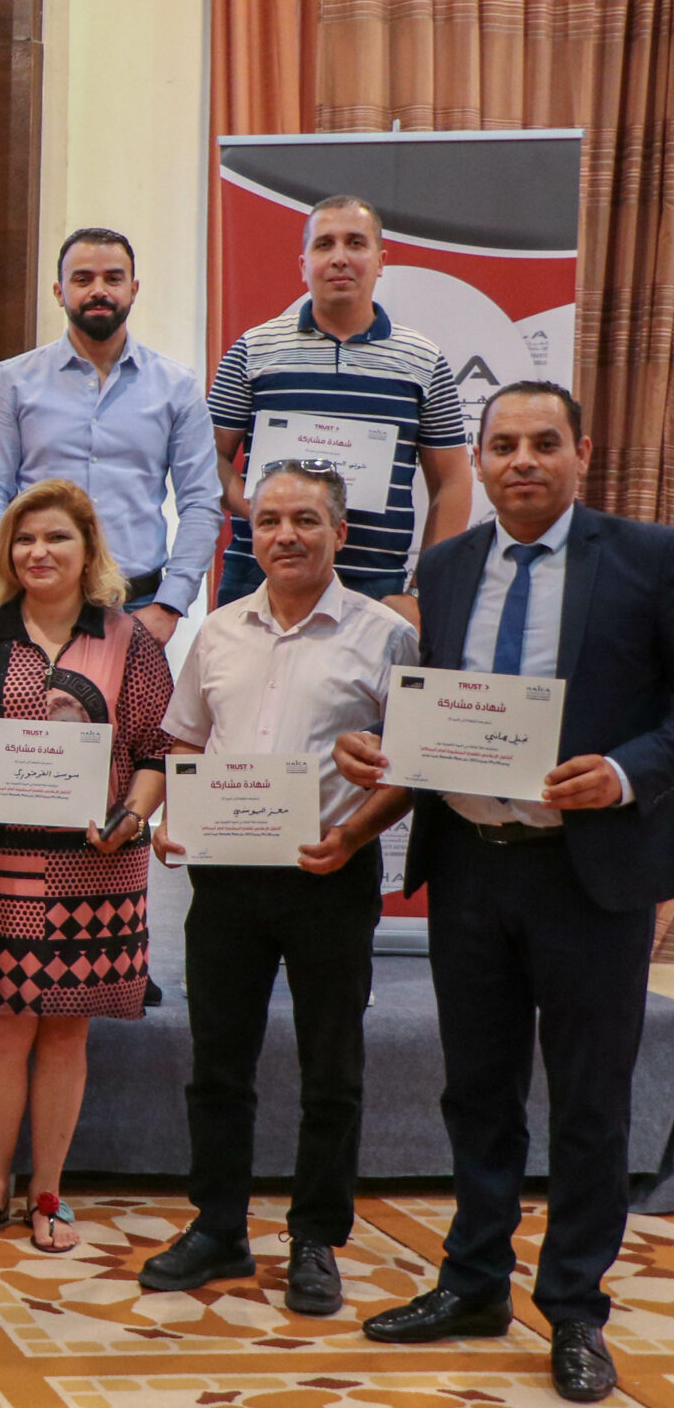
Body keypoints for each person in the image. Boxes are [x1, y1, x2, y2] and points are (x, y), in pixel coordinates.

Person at [336, 381, 674, 1404]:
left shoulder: (649, 557)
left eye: (543, 442)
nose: (521, 459)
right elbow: (440, 710)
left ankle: (573, 1307)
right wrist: (378, 747)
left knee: (588, 1098)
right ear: (477, 462)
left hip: (589, 873)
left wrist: (623, 774)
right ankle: (474, 1279)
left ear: (582, 451)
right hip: (472, 864)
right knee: (476, 1088)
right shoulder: (444, 566)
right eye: (502, 444)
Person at [140, 463, 417, 1315]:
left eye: (305, 519)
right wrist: (173, 817)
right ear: (249, 533)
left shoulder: (385, 635)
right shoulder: (218, 631)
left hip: (329, 870)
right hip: (225, 878)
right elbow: (186, 742)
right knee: (218, 1063)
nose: (285, 535)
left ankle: (315, 1238)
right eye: (268, 521)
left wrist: (354, 836)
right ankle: (218, 1226)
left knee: (331, 1065)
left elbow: (413, 767)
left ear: (340, 532)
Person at [0, 479, 171, 1253]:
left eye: (56, 537)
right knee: (1, 1034)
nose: (38, 551)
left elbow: (158, 748)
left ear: (89, 550)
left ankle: (48, 1192)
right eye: (24, 539)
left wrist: (132, 816)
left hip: (97, 867)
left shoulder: (130, 640)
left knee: (65, 1036)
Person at [209, 195, 472, 615]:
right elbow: (209, 459)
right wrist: (264, 512)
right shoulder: (253, 349)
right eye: (324, 244)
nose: (339, 258)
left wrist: (424, 591)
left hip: (373, 588)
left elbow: (453, 482)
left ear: (381, 261)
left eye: (355, 243)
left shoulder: (423, 360)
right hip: (258, 581)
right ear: (303, 265)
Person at [0, 229, 222, 650]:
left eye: (113, 278)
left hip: (135, 605)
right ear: (59, 292)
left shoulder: (176, 386)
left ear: (133, 289)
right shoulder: (14, 380)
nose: (98, 290)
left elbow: (201, 502)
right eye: (82, 279)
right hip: (31, 601)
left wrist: (170, 605)